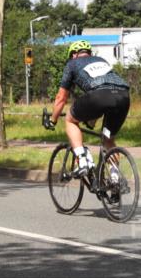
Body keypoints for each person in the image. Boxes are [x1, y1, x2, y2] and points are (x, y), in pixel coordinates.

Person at [45, 40, 131, 177]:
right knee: (108, 138)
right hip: (123, 96)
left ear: (73, 55)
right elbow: (106, 92)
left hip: (99, 95)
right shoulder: (101, 60)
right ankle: (115, 178)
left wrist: (52, 119)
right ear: (89, 53)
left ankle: (83, 161)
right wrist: (91, 120)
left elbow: (61, 98)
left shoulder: (72, 64)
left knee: (70, 120)